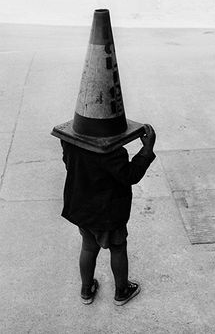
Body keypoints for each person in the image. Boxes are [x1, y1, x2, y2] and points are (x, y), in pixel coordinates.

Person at [60, 124, 156, 305]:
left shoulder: (69, 143)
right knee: (118, 248)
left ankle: (87, 290)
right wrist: (147, 149)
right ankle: (122, 291)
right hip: (109, 214)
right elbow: (130, 175)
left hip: (83, 209)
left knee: (88, 247)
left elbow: (68, 163)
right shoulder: (112, 153)